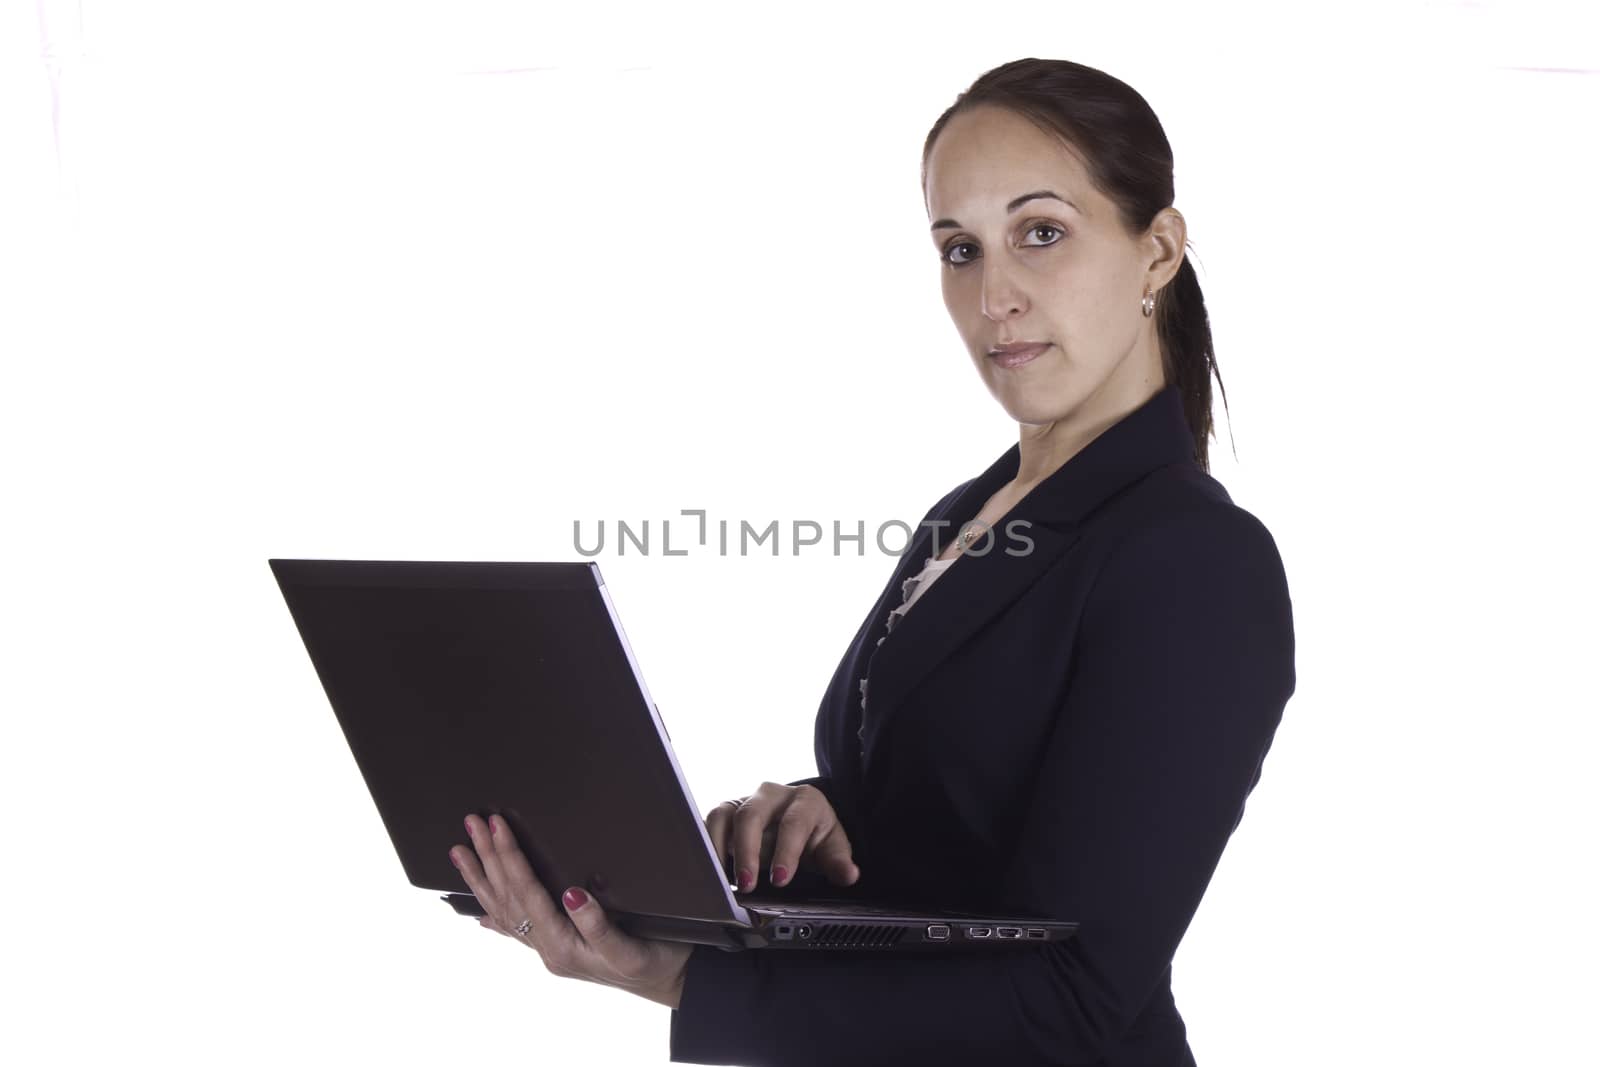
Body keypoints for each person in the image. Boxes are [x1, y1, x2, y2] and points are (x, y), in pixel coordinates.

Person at [448, 57, 1297, 1066]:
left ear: (1156, 250)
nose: (995, 295)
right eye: (958, 248)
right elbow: (956, 826)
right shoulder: (972, 514)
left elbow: (1077, 993)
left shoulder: (1194, 559)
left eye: (1041, 234)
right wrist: (817, 823)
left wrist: (681, 977)